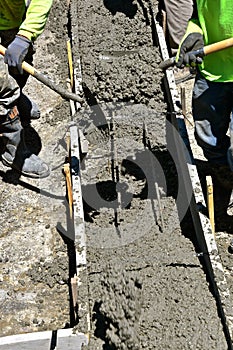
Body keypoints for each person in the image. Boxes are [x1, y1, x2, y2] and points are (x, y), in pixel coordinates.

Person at [176, 0, 233, 231]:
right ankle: (224, 178)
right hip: (214, 70)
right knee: (207, 138)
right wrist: (194, 33)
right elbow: (198, 15)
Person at [0, 0, 53, 178]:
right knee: (2, 85)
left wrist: (25, 35)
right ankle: (12, 150)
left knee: (21, 62)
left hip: (11, 15)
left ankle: (16, 95)